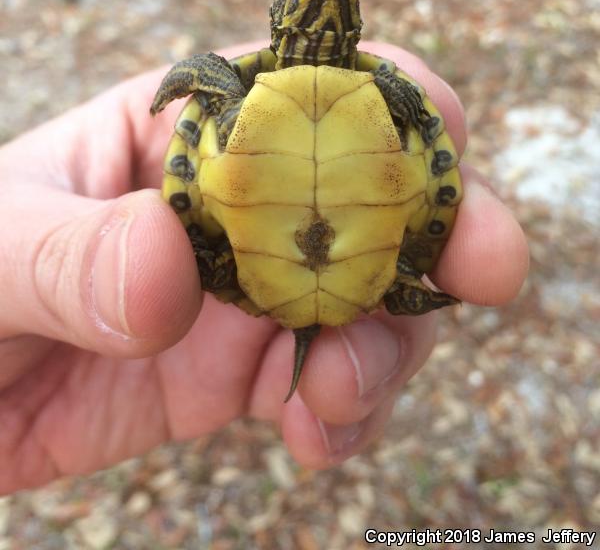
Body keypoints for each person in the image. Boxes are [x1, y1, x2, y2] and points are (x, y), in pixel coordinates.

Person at [0, 41, 529, 494]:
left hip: (262, 267)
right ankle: (400, 284)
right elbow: (428, 137)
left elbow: (423, 123)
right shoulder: (354, 94)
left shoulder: (352, 92)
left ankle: (399, 283)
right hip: (368, 273)